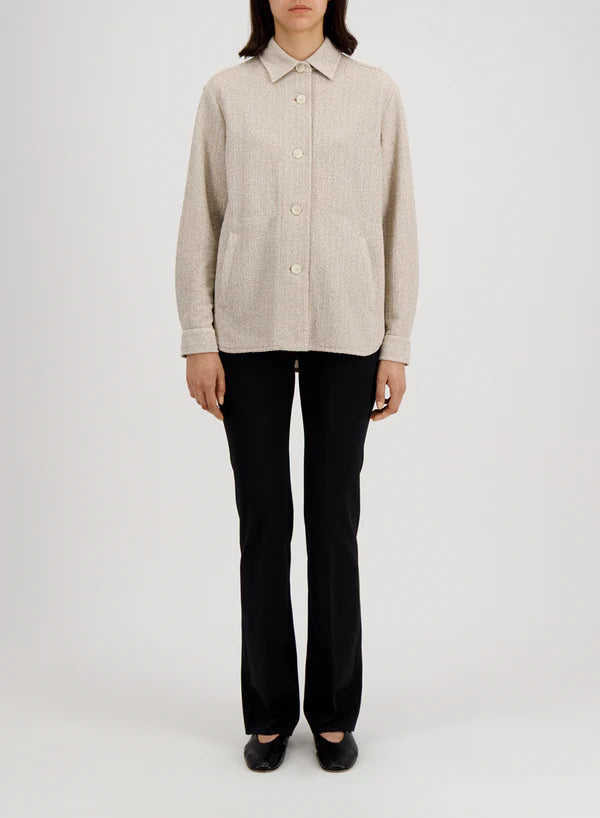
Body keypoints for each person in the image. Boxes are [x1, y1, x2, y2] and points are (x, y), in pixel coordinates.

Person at [175, 0, 419, 773]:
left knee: (332, 521)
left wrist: (396, 344)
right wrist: (198, 337)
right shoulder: (226, 93)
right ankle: (270, 712)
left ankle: (335, 713)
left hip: (349, 331)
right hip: (246, 332)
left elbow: (397, 220)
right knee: (264, 521)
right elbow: (201, 216)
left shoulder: (375, 92)